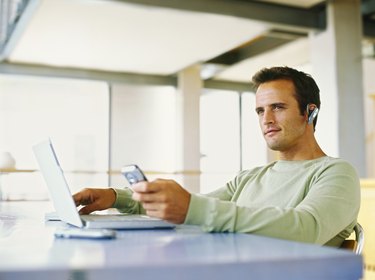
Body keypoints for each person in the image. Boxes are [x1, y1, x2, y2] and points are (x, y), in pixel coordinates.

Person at [73, 66, 360, 247]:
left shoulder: (336, 172)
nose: (267, 119)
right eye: (260, 111)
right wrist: (116, 197)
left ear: (310, 111)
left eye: (278, 107)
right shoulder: (250, 178)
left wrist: (194, 208)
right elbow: (190, 209)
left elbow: (305, 229)